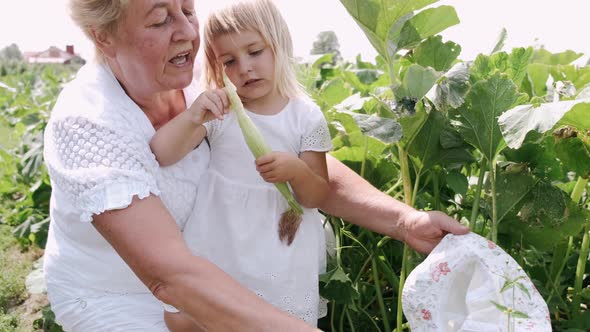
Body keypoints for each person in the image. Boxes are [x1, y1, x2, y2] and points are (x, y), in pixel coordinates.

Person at [42, 0, 469, 331]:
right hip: (125, 294)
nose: (188, 31)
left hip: (220, 272)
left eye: (188, 10)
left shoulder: (202, 80)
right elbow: (168, 276)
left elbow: (294, 160)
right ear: (104, 38)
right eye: (159, 20)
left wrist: (403, 220)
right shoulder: (87, 125)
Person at [149, 0, 332, 328]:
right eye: (230, 61)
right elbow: (163, 153)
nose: (245, 68)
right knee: (191, 320)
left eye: (255, 52)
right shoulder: (223, 112)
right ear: (218, 67)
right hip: (222, 239)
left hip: (279, 248)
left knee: (272, 320)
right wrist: (193, 116)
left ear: (279, 44)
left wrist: (297, 171)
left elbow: (317, 195)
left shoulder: (305, 117)